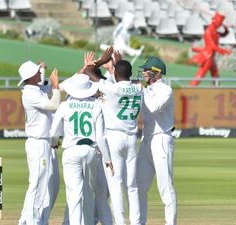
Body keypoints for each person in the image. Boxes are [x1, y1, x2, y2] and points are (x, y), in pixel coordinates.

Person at [50, 74, 114, 225]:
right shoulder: (96, 105)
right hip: (91, 151)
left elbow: (53, 133)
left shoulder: (65, 105)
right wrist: (107, 159)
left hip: (71, 150)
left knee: (74, 195)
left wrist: (54, 143)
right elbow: (101, 138)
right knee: (88, 192)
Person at [98, 59, 142, 225]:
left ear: (116, 74)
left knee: (116, 183)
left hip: (114, 138)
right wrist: (116, 67)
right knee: (132, 185)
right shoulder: (138, 88)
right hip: (131, 138)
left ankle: (120, 222)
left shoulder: (112, 88)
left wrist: (102, 62)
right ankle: (136, 222)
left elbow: (92, 74)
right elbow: (130, 79)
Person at [17, 60, 61, 225]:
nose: (39, 74)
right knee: (38, 183)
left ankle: (28, 220)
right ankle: (32, 221)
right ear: (31, 76)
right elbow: (54, 105)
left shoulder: (37, 88)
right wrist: (55, 86)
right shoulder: (30, 93)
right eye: (37, 72)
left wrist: (42, 68)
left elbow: (43, 83)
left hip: (44, 142)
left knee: (49, 184)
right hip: (38, 143)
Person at [136, 57, 177, 225]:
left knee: (165, 186)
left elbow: (154, 107)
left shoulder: (166, 89)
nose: (144, 73)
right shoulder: (146, 89)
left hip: (161, 138)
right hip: (146, 139)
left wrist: (143, 90)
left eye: (147, 70)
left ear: (157, 72)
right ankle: (140, 221)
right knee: (138, 186)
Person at [189, 12, 232, 86]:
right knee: (201, 73)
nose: (219, 25)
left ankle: (217, 89)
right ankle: (191, 87)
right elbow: (212, 46)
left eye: (220, 23)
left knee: (215, 75)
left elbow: (225, 34)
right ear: (215, 21)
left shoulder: (215, 31)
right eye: (219, 23)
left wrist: (225, 26)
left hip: (211, 57)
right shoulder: (208, 31)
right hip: (208, 57)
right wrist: (223, 51)